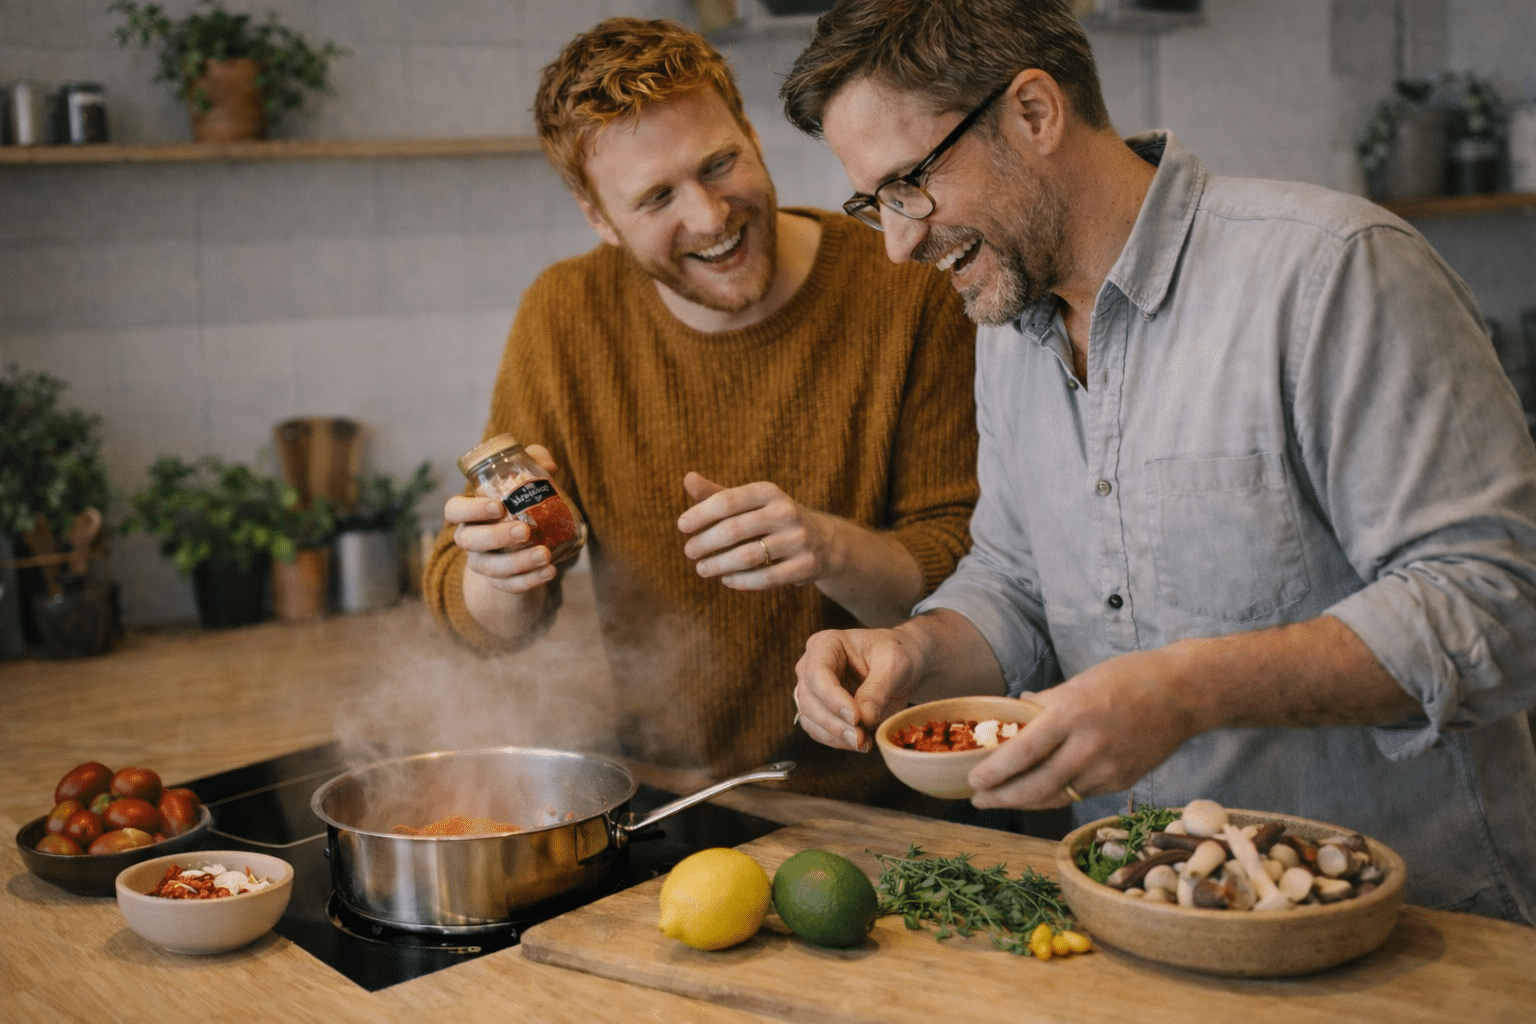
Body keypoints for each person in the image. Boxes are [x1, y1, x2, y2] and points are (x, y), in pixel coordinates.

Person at [780, 0, 1536, 922]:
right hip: (1144, 919)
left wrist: (1186, 690)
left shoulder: (1331, 270)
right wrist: (913, 650)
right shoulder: (1007, 327)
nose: (898, 244)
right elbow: (1018, 578)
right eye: (875, 205)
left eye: (910, 185)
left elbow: (1496, 602)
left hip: (1409, 933)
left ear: (1033, 112)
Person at [422, 18, 979, 808]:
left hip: (888, 794)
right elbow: (484, 619)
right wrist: (500, 571)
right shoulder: (564, 317)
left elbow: (970, 586)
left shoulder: (904, 288)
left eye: (720, 163)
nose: (712, 216)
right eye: (656, 197)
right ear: (599, 219)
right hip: (670, 796)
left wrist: (826, 546)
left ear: (751, 131)